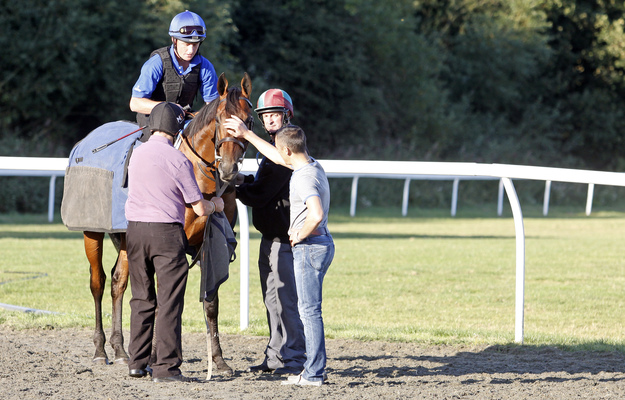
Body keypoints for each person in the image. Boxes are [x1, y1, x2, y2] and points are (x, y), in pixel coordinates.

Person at [224, 119, 335, 387]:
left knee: (309, 312)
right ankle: (310, 369)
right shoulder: (310, 164)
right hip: (320, 246)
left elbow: (316, 213)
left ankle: (312, 373)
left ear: (286, 152)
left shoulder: (303, 177)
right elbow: (276, 155)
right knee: (309, 310)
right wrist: (247, 134)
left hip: (310, 247)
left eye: (278, 150)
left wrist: (300, 233)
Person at [125, 102, 224, 383]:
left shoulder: (136, 154)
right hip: (166, 233)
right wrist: (216, 203)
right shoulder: (179, 160)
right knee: (169, 301)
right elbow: (199, 207)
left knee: (141, 298)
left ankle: (137, 362)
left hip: (134, 231)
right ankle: (166, 368)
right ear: (176, 128)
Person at [235, 89, 306, 375]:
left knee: (286, 301)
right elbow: (264, 182)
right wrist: (243, 180)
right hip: (271, 239)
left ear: (287, 115)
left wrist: (233, 189)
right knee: (272, 301)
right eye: (266, 116)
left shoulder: (286, 148)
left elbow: (262, 193)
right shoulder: (272, 148)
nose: (271, 121)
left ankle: (295, 359)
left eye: (275, 115)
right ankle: (276, 356)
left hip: (286, 242)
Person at [130, 10, 219, 139]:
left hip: (183, 119)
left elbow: (213, 105)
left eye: (195, 45)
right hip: (152, 119)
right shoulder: (156, 63)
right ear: (174, 40)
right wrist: (169, 108)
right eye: (186, 44)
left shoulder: (205, 66)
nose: (191, 50)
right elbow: (135, 103)